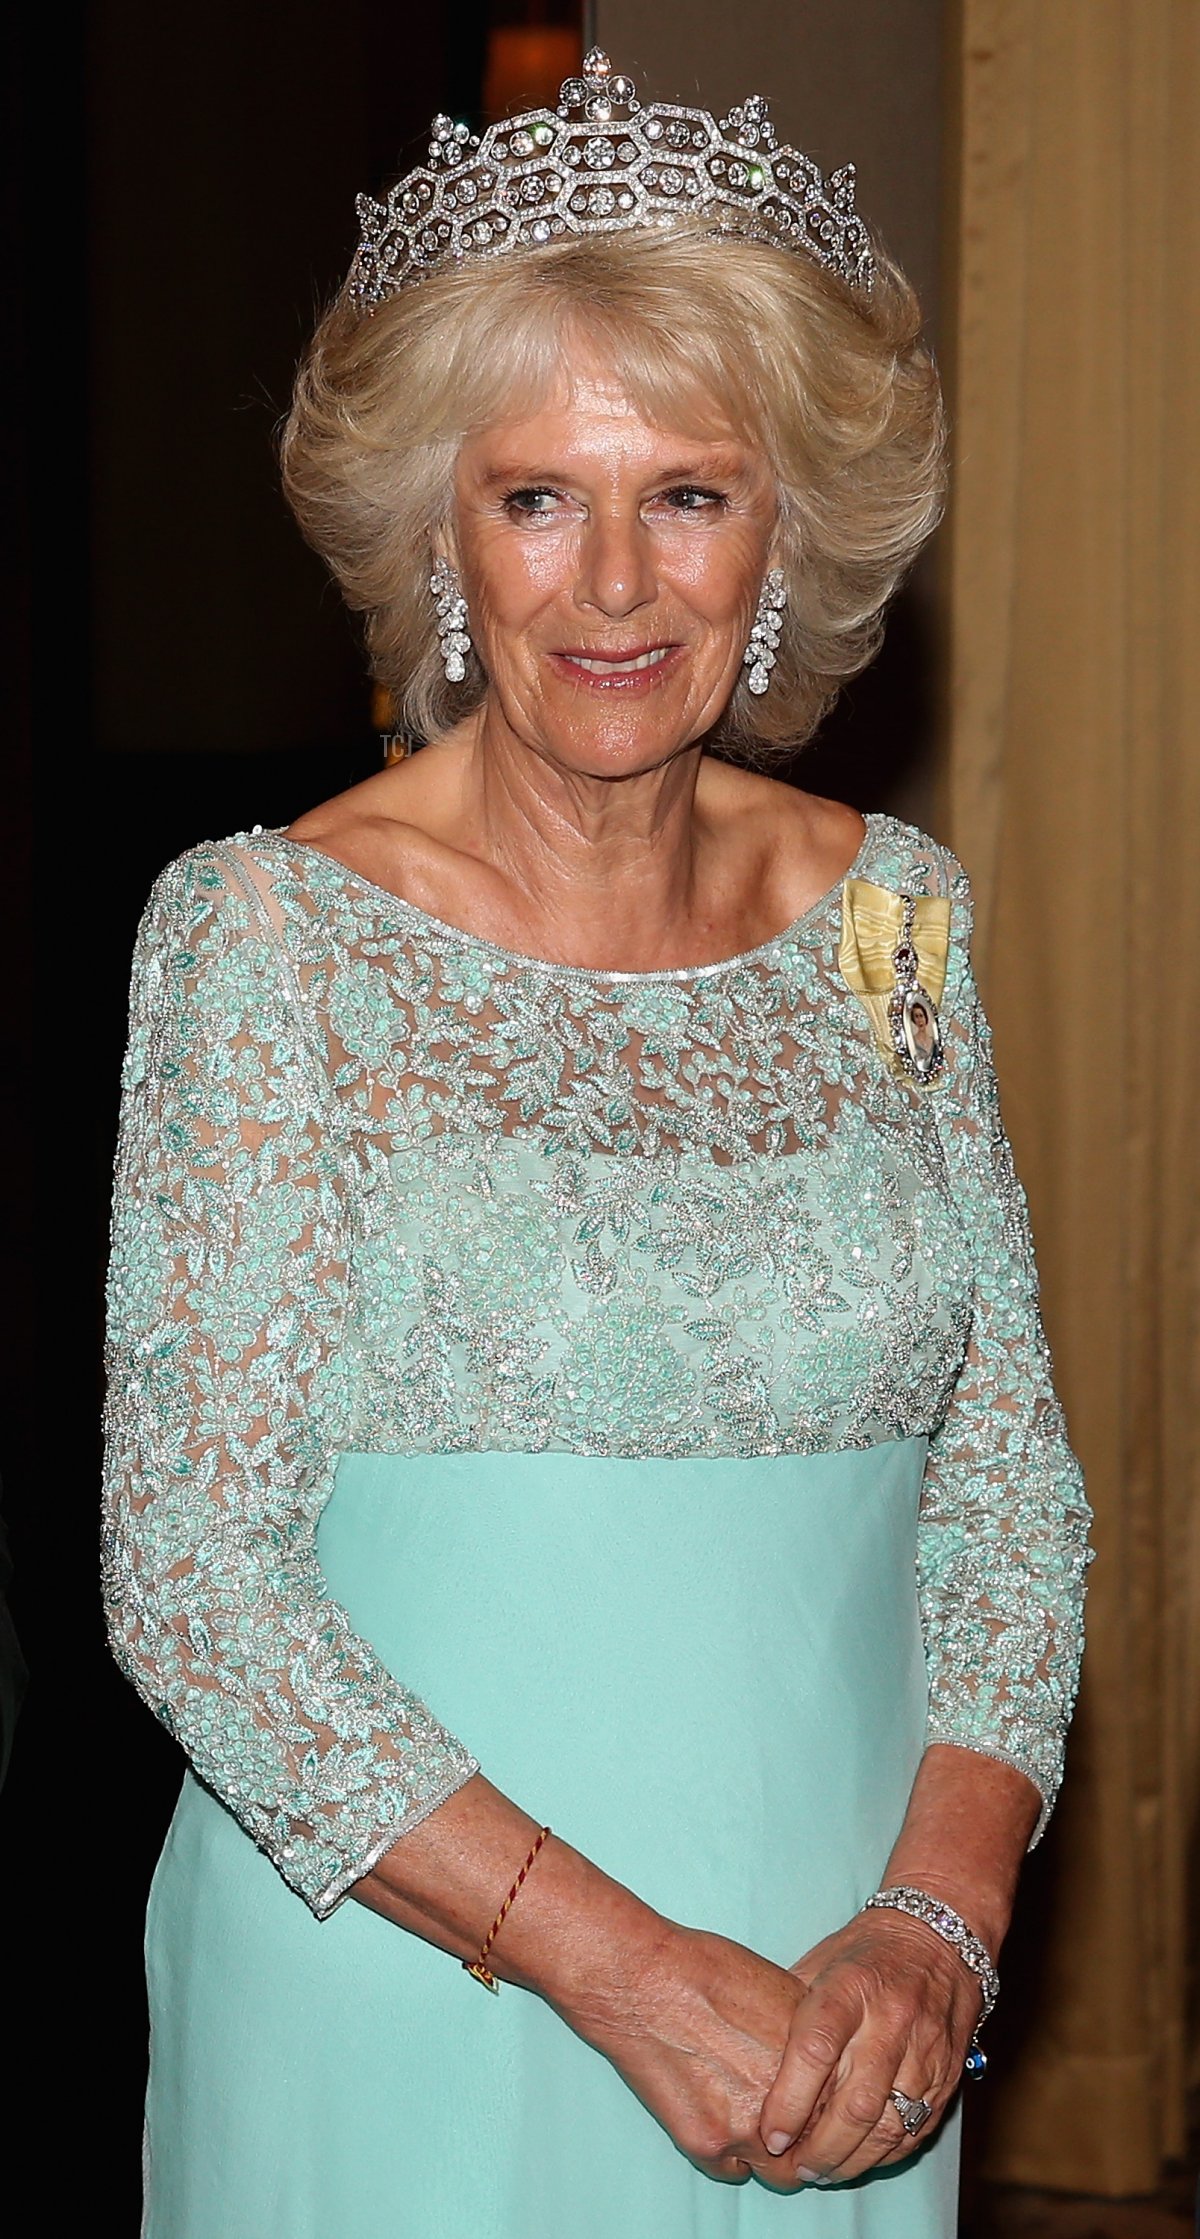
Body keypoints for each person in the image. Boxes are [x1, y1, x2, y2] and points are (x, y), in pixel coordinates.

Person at [102, 52, 1092, 2238]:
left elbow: (1009, 1488)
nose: (618, 584)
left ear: (788, 529)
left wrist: (939, 1921)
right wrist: (625, 1972)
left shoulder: (897, 919)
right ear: (440, 533)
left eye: (693, 494)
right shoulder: (265, 937)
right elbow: (191, 1581)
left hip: (842, 2007)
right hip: (416, 1985)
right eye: (540, 495)